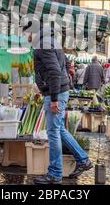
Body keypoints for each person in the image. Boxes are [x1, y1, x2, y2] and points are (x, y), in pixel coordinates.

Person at [29, 26, 92, 184]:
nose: (26, 35)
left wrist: (54, 98)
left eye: (26, 32)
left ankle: (55, 174)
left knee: (53, 132)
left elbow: (55, 71)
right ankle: (83, 160)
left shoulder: (44, 45)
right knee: (59, 129)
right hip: (57, 90)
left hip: (54, 93)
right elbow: (63, 66)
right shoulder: (52, 42)